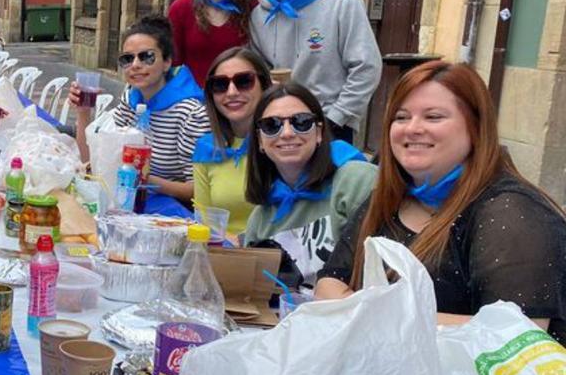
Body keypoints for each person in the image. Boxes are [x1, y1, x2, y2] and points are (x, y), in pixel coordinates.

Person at [315, 62, 566, 338]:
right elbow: (329, 283)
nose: (412, 128)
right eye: (400, 117)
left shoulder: (512, 211)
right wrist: (381, 318)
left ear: (476, 127)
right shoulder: (391, 198)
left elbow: (518, 334)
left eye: (433, 117)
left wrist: (375, 316)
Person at [251, 0, 381, 143]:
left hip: (331, 124)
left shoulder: (342, 1)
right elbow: (260, 71)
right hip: (281, 127)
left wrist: (336, 118)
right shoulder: (258, 16)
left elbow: (367, 67)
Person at [243, 82, 375, 289]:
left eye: (301, 122)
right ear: (259, 140)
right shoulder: (260, 220)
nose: (286, 133)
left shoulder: (356, 180)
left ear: (319, 133)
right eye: (272, 125)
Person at [70, 14, 208, 208]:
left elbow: (199, 189)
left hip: (172, 212)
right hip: (128, 203)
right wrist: (83, 112)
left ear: (167, 61)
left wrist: (143, 178)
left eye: (147, 57)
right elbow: (90, 160)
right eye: (128, 59)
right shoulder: (131, 100)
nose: (135, 65)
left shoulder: (190, 114)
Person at [191, 46, 272, 237]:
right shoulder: (207, 149)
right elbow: (204, 221)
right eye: (220, 84)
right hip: (224, 254)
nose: (232, 92)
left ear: (264, 85)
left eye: (244, 81)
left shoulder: (284, 142)